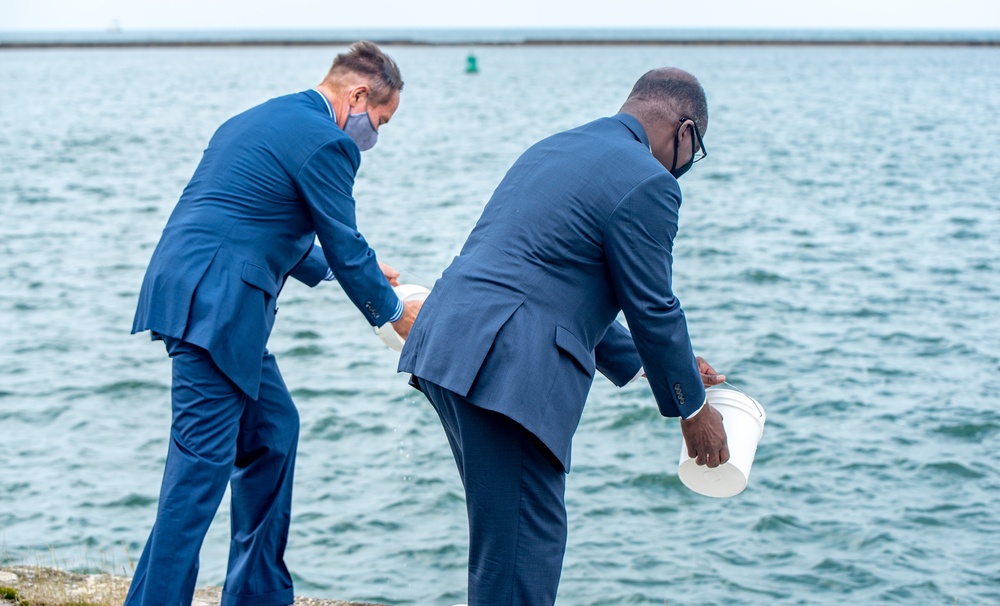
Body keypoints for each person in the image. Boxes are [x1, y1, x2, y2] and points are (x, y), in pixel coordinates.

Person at [398, 67, 729, 604]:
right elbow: (652, 305)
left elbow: (548, 284)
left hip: (451, 345)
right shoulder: (650, 181)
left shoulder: (553, 149)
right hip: (506, 370)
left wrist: (657, 366)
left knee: (506, 546)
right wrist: (693, 411)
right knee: (523, 555)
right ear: (684, 131)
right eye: (696, 152)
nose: (686, 167)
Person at [126, 41, 420, 606]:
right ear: (358, 95)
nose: (375, 135)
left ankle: (257, 594)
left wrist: (347, 267)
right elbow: (342, 238)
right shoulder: (329, 142)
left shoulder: (263, 116)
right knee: (195, 482)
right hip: (217, 310)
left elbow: (252, 217)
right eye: (380, 121)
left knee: (273, 431)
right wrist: (391, 310)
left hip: (200, 292)